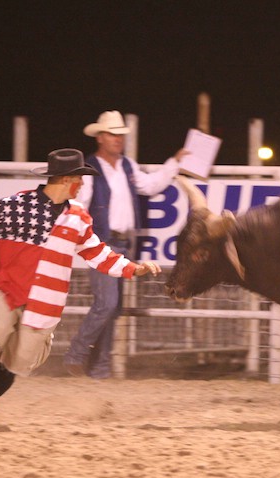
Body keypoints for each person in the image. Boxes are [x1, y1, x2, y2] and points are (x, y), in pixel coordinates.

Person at [0, 148, 161, 429]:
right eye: (80, 179)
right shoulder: (18, 205)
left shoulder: (78, 219)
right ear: (66, 180)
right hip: (6, 289)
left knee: (13, 364)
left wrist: (132, 268)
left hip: (44, 303)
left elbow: (98, 253)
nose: (84, 185)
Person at [63, 111, 186, 379]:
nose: (118, 139)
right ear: (100, 137)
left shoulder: (128, 165)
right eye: (112, 134)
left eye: (120, 135)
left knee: (112, 306)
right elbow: (80, 204)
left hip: (122, 244)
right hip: (103, 243)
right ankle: (77, 353)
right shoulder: (91, 168)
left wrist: (174, 163)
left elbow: (151, 184)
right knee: (107, 304)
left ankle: (99, 369)